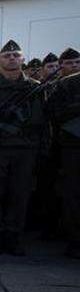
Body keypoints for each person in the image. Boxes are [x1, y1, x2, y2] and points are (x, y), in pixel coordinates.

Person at [0, 40, 46, 255]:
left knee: (19, 194)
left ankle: (13, 235)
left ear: (22, 59)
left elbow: (41, 120)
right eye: (7, 56)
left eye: (15, 55)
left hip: (24, 149)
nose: (11, 58)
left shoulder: (34, 88)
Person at [48, 47, 80, 258]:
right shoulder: (63, 86)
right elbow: (53, 113)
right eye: (69, 63)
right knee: (73, 195)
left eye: (77, 62)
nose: (74, 66)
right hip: (71, 147)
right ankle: (74, 239)